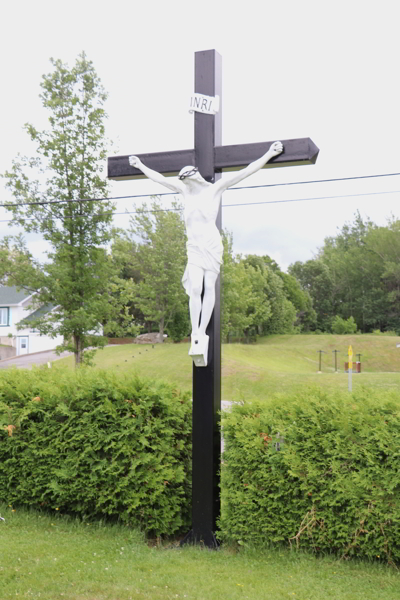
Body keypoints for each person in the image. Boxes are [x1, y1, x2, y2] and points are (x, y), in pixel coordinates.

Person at [129, 141, 283, 363]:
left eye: (186, 179)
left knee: (209, 286)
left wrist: (269, 154)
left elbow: (245, 172)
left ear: (194, 177)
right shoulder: (184, 192)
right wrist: (141, 166)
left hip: (211, 244)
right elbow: (160, 179)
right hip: (193, 246)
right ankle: (196, 331)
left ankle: (202, 329)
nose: (184, 183)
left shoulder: (214, 189)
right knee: (195, 287)